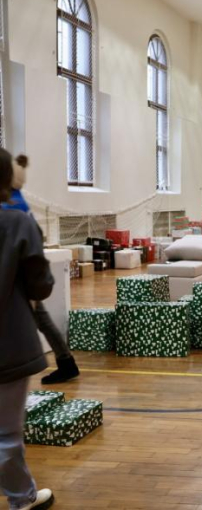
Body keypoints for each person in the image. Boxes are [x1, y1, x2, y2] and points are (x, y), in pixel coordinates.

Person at [0, 148, 56, 509]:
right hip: (8, 342)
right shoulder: (18, 222)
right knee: (6, 434)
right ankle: (22, 498)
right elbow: (41, 284)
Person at [1, 155, 79, 385]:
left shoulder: (11, 206)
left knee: (41, 320)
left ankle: (66, 362)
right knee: (42, 320)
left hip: (16, 280)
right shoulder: (18, 201)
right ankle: (66, 361)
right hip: (22, 278)